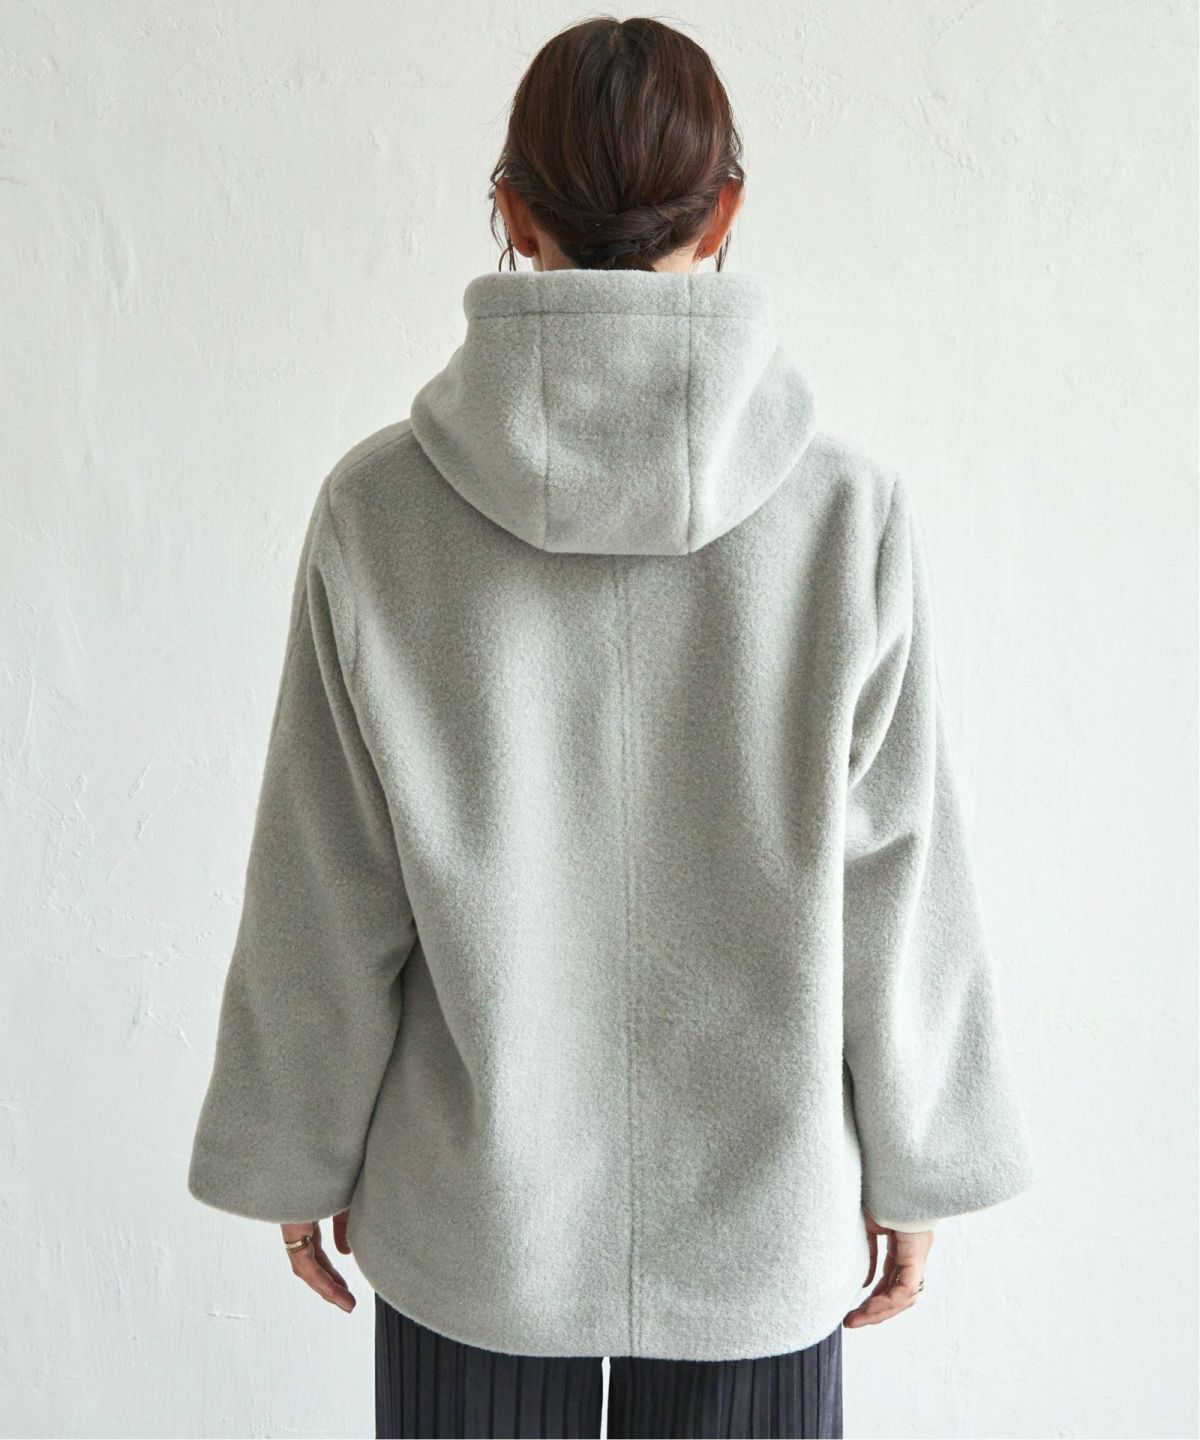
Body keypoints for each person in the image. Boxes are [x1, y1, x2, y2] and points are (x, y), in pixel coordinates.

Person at [187, 15, 1036, 1439]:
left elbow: (325, 878)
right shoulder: (844, 513)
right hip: (759, 1223)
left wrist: (297, 1149)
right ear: (727, 211)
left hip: (474, 1223)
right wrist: (917, 1166)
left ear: (513, 211)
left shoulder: (379, 510)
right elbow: (896, 876)